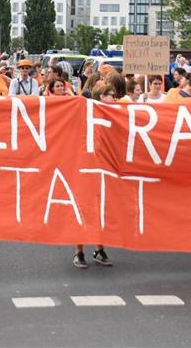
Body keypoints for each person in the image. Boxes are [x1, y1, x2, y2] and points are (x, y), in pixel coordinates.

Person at [74, 86, 115, 268]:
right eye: (109, 95)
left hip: (105, 171)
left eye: (114, 96)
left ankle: (99, 249)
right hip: (85, 170)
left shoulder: (116, 116)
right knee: (83, 211)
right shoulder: (86, 115)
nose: (113, 98)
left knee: (101, 211)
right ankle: (79, 252)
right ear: (101, 97)